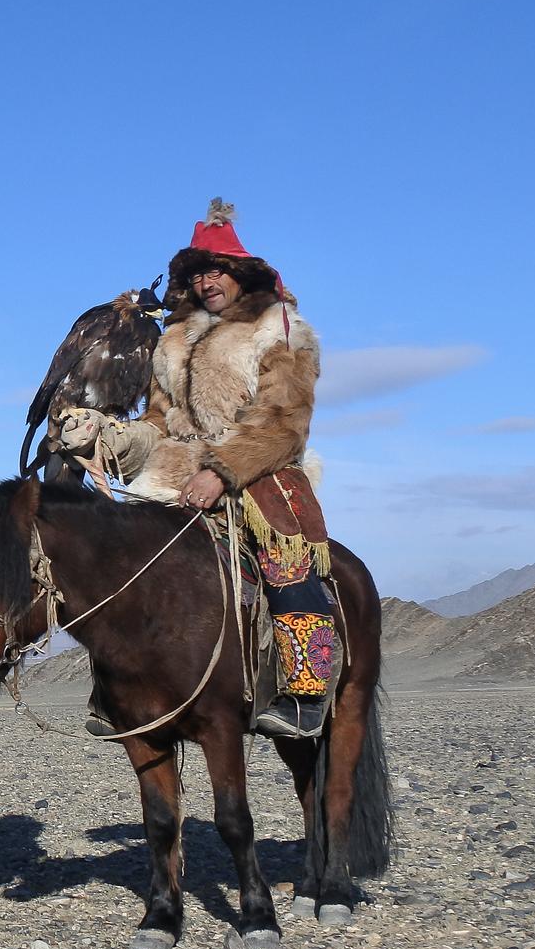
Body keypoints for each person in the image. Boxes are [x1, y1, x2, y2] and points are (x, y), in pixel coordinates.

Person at [56, 199, 335, 739]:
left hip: (262, 469)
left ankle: (306, 693)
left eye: (218, 271)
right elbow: (158, 423)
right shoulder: (172, 341)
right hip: (175, 469)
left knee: (284, 558)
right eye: (199, 273)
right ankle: (116, 688)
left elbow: (285, 421)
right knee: (116, 559)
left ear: (242, 275)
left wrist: (224, 471)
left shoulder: (280, 328)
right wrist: (106, 436)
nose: (208, 282)